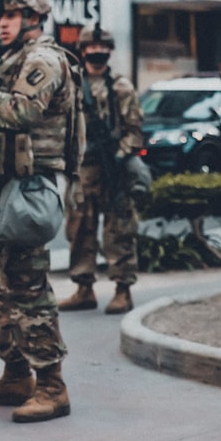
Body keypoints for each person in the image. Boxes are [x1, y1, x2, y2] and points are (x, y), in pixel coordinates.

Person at [0, 0, 74, 423]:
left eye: (10, 16)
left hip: (25, 190)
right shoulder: (7, 60)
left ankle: (52, 384)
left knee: (27, 286)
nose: (1, 24)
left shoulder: (43, 59)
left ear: (32, 17)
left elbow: (24, 110)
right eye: (0, 16)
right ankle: (15, 372)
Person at [58, 24, 144, 315]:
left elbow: (134, 131)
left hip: (112, 168)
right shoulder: (71, 85)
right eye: (91, 49)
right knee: (79, 230)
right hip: (81, 170)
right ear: (82, 51)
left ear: (109, 51)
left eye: (102, 48)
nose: (97, 53)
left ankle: (122, 289)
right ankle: (84, 288)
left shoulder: (121, 87)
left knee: (118, 230)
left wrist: (119, 158)